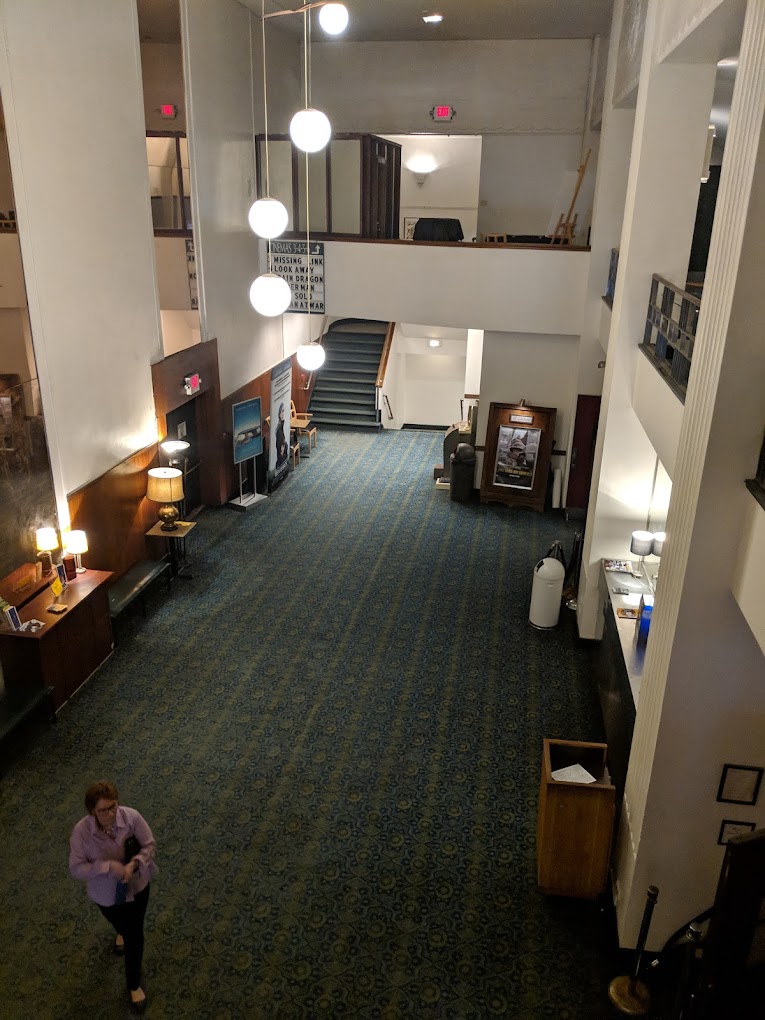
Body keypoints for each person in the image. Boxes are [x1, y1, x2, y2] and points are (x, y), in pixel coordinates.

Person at [69, 780, 157, 1014]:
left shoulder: (131, 817)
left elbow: (149, 846)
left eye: (113, 807)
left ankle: (133, 984)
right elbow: (76, 868)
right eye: (103, 810)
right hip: (106, 895)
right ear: (92, 811)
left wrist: (134, 864)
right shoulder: (81, 832)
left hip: (137, 888)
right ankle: (121, 932)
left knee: (135, 936)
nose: (110, 814)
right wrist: (106, 867)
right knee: (119, 924)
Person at [275, 401, 288, 468]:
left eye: (284, 411)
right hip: (280, 460)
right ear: (279, 413)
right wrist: (282, 447)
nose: (283, 414)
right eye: (282, 411)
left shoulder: (282, 425)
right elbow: (279, 444)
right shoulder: (278, 430)